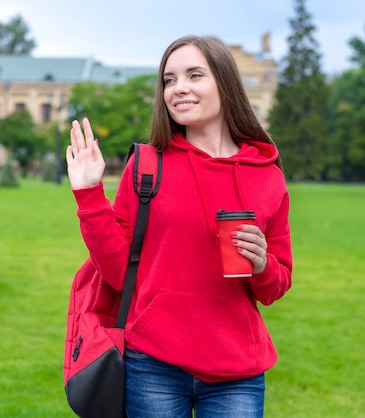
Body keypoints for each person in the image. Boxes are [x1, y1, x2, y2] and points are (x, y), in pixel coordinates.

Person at [66, 35, 292, 418]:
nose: (179, 88)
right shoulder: (147, 166)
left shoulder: (267, 177)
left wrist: (262, 265)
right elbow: (119, 273)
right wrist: (89, 195)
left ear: (225, 83)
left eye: (194, 75)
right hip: (153, 362)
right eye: (169, 80)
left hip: (237, 371)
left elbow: (275, 286)